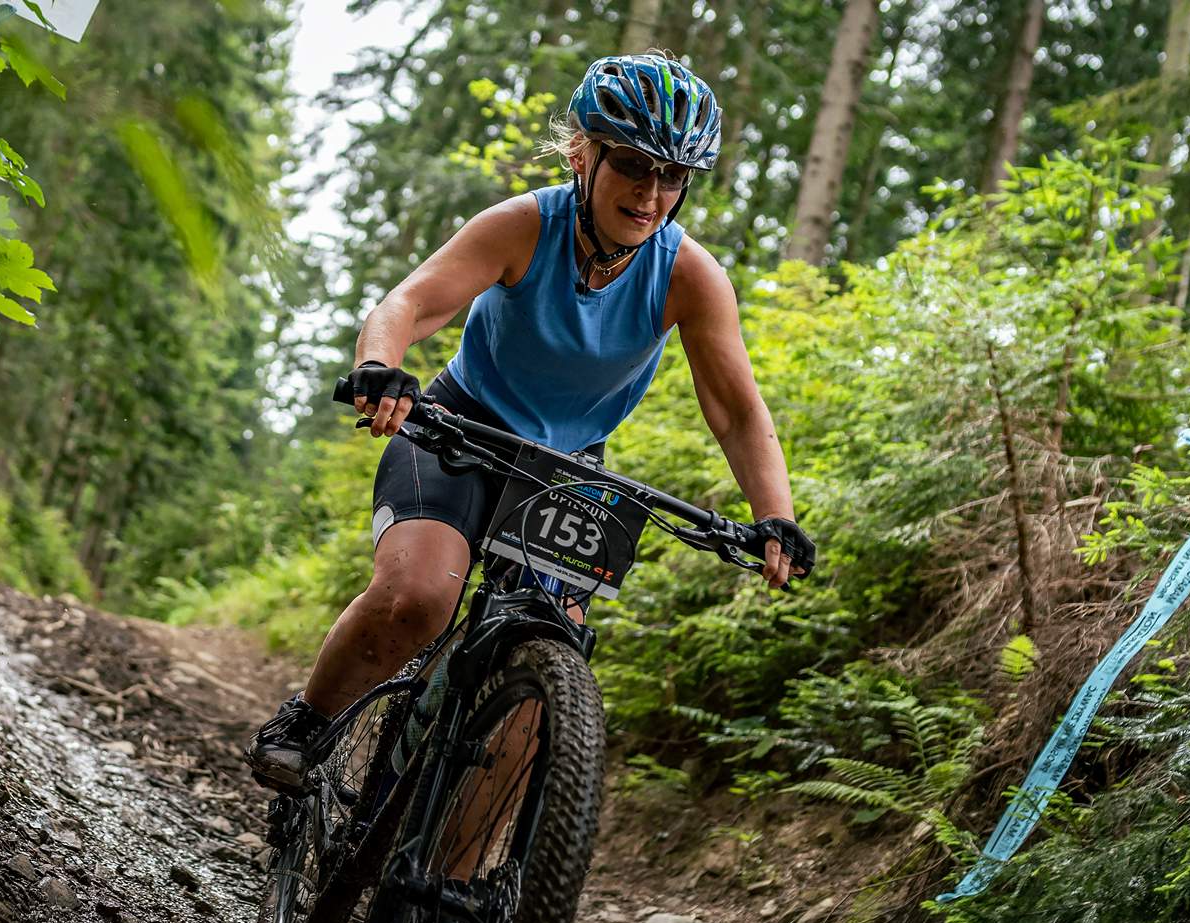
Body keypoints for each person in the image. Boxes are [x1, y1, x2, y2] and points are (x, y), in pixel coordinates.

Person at [247, 53, 816, 791]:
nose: (650, 194)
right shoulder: (524, 226)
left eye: (672, 176)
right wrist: (380, 366)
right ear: (584, 154)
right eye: (633, 165)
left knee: (544, 686)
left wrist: (776, 517)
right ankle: (309, 721)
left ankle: (457, 862)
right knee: (420, 597)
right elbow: (410, 303)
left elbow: (736, 411)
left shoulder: (690, 276)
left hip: (568, 469)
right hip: (461, 429)